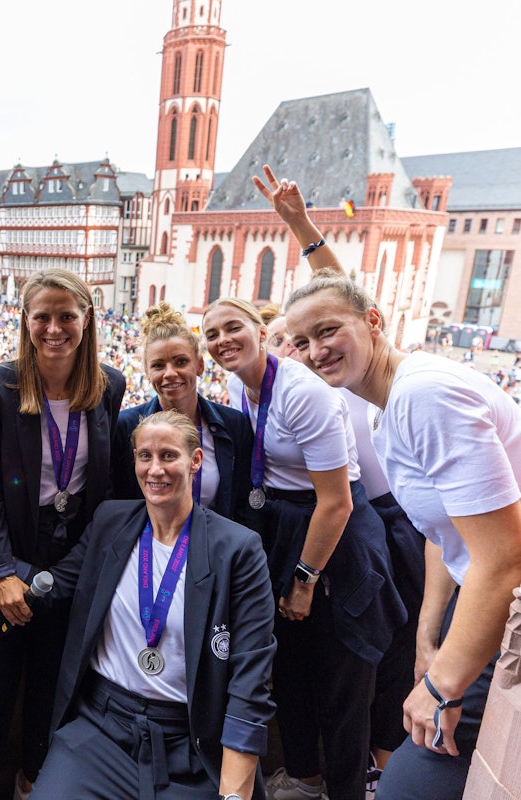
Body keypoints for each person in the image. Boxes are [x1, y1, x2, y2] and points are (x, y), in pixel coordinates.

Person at [282, 239, 521, 797]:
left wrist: (441, 685)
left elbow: (504, 556)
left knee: (409, 786)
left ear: (374, 321)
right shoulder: (387, 408)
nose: (314, 350)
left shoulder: (424, 394)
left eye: (326, 332)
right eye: (301, 342)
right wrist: (427, 637)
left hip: (506, 597)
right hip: (481, 589)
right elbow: (446, 532)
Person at [252, 166, 428, 791]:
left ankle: (377, 769)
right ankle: (315, 773)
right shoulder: (297, 392)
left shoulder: (354, 372)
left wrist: (298, 223)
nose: (304, 349)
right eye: (288, 341)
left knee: (387, 657)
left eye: (313, 336)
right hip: (343, 526)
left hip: (389, 522)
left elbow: (339, 292)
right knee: (313, 667)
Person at [202, 297, 405, 800]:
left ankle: (346, 789)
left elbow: (336, 504)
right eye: (211, 334)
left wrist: (303, 581)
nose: (223, 340)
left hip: (333, 536)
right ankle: (304, 778)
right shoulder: (237, 385)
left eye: (234, 327)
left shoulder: (303, 393)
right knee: (288, 667)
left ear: (261, 331)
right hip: (282, 525)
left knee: (343, 679)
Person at [31, 410, 276, 800]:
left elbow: (250, 684)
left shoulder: (237, 550)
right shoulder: (111, 522)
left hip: (189, 744)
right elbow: (57, 586)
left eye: (168, 455)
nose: (155, 469)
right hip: (100, 731)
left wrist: (233, 795)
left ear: (195, 461)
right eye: (145, 456)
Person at [0, 269, 126, 800]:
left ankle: (33, 786)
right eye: (42, 317)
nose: (54, 328)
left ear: (87, 320)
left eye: (66, 316)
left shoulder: (109, 386)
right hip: (11, 556)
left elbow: (104, 496)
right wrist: (1, 572)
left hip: (73, 561)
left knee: (52, 697)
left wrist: (67, 574)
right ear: (26, 321)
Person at [113, 301, 257, 529]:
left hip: (215, 550)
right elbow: (120, 501)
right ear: (147, 372)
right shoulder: (126, 426)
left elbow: (242, 502)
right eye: (159, 365)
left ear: (200, 365)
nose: (170, 373)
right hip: (149, 552)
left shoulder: (233, 424)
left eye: (181, 362)